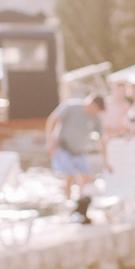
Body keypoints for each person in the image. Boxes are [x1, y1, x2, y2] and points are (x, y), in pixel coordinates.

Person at [45, 93, 107, 223]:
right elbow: (52, 119)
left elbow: (101, 138)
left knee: (86, 177)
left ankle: (80, 206)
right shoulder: (71, 106)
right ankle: (68, 205)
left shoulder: (96, 118)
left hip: (80, 150)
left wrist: (106, 159)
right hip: (63, 147)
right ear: (93, 104)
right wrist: (50, 141)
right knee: (69, 176)